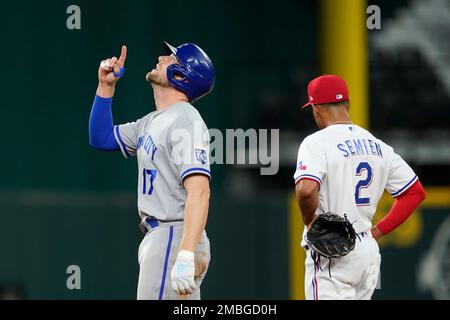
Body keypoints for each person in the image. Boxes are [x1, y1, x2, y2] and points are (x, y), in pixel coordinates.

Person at [88, 41, 215, 300]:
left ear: (182, 75)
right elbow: (100, 138)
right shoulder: (153, 120)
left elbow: (200, 192)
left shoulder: (185, 120)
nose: (161, 57)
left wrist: (185, 254)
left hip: (173, 235)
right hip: (167, 237)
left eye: (171, 58)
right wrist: (106, 86)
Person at [294, 74, 426, 300]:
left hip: (331, 251)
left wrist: (310, 222)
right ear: (348, 103)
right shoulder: (379, 146)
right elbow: (414, 193)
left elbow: (306, 190)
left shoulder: (316, 142)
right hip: (366, 251)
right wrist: (377, 232)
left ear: (315, 108)